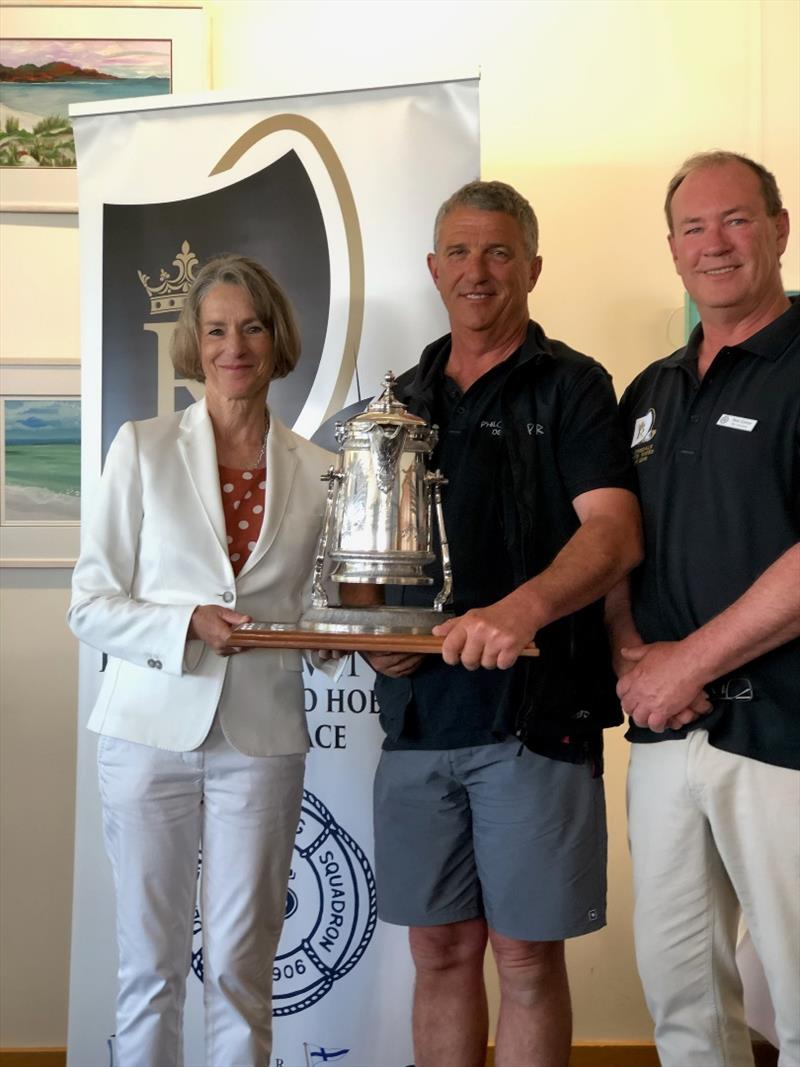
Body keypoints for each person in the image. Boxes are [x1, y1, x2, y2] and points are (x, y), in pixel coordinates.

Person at [366, 180, 643, 1067]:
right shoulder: (401, 400)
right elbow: (372, 568)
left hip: (535, 720)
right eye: (458, 252)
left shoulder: (574, 386)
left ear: (531, 265)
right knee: (437, 951)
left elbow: (614, 532)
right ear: (432, 268)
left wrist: (520, 607)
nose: (476, 271)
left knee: (526, 958)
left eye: (496, 252)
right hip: (418, 727)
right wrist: (384, 645)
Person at [69, 254, 334, 1066]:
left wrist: (353, 635)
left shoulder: (324, 473)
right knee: (150, 970)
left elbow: (320, 617)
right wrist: (187, 622)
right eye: (216, 329)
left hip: (261, 742)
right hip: (148, 736)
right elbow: (90, 602)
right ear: (193, 342)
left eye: (251, 326)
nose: (234, 346)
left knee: (241, 970)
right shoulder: (142, 448)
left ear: (276, 339)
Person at [605, 151, 800, 1065]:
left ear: (779, 230)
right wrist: (632, 658)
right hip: (664, 736)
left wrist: (688, 662)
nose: (713, 243)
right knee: (682, 997)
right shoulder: (651, 390)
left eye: (735, 220)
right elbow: (617, 544)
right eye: (693, 227)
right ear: (673, 250)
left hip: (783, 738)